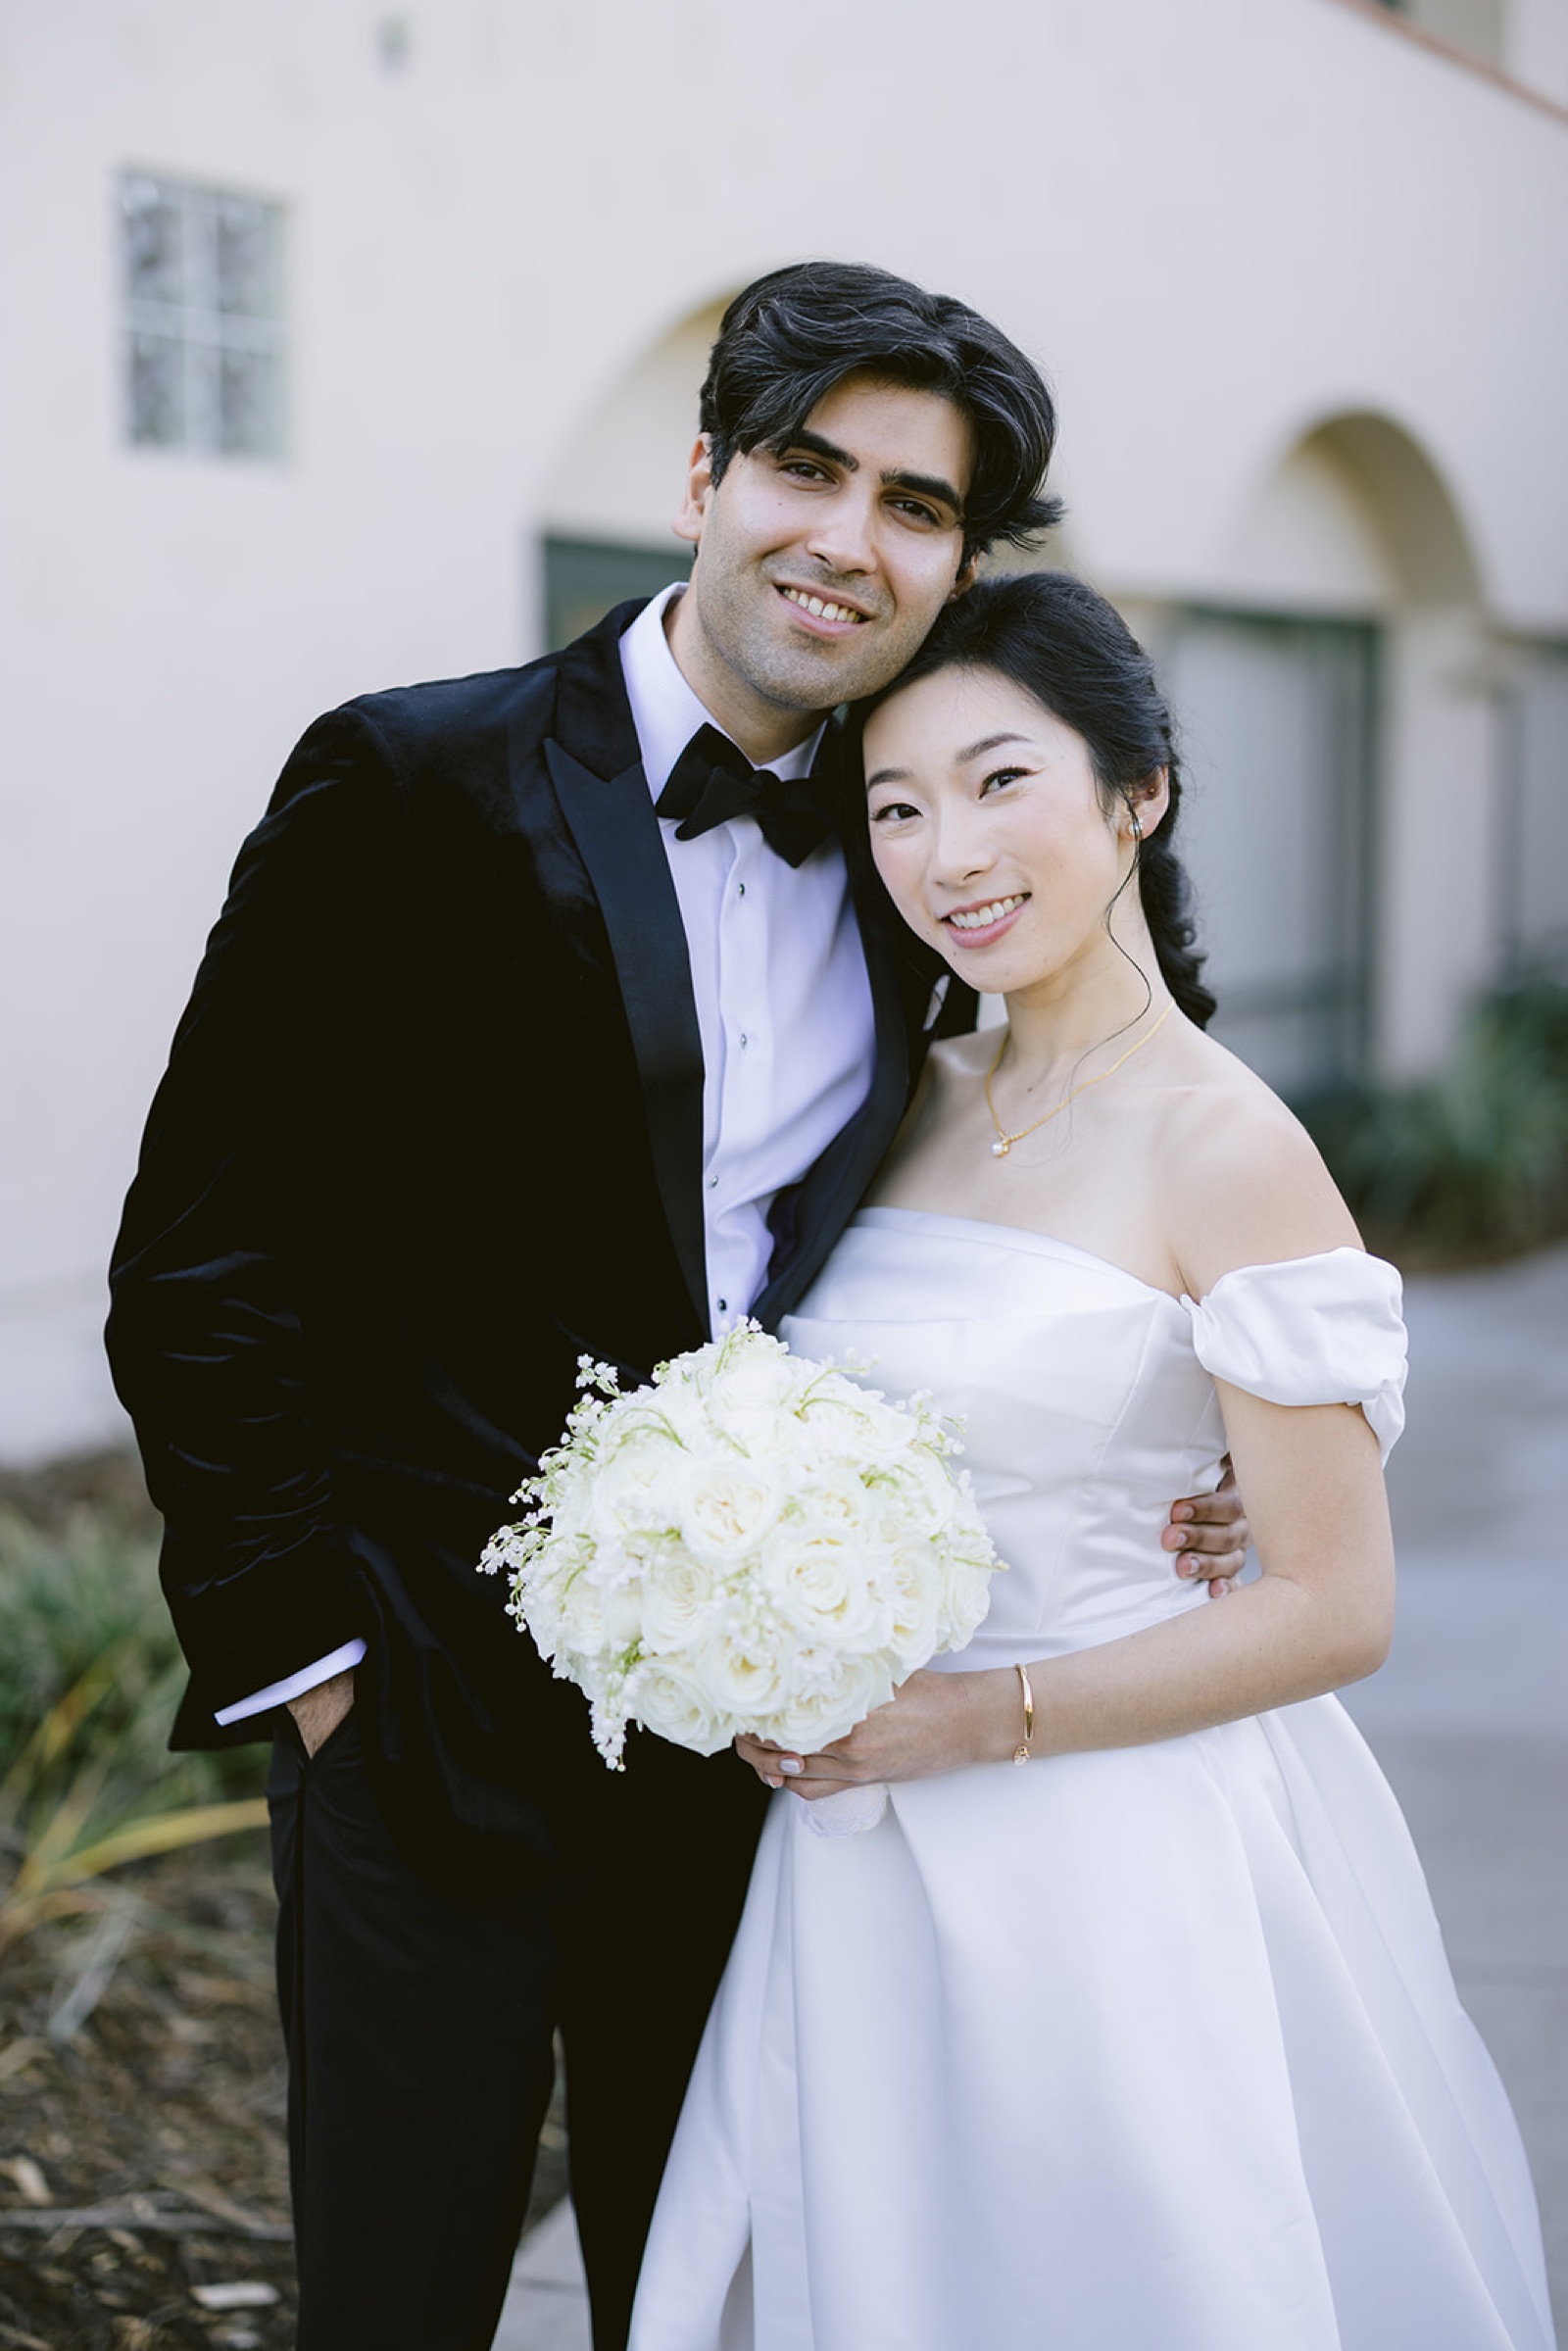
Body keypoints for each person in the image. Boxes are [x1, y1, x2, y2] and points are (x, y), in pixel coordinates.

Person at [104, 268, 1251, 2351]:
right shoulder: (407, 780)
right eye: (806, 468)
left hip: (768, 1754)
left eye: (915, 507)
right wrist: (309, 1667)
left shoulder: (924, 871)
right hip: (421, 1709)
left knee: (721, 2283)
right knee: (402, 2294)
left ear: (955, 565)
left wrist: (1185, 1470)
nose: (847, 537)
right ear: (706, 473)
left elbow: (1049, 1216)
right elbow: (201, 1255)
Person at [628, 570, 1556, 2351]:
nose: (942, 850)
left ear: (1140, 792)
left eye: (999, 783)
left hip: (1111, 1840)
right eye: (893, 805)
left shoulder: (1231, 1145)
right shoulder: (900, 1089)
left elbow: (1337, 1605)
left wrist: (977, 1720)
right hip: (856, 1839)